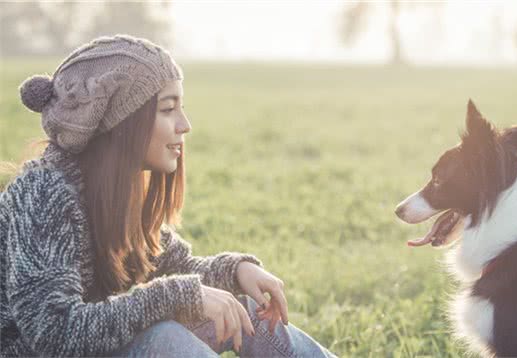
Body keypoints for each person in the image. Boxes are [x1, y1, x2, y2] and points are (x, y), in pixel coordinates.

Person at [0, 34, 335, 358]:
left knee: (242, 303)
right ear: (121, 123)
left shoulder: (113, 195)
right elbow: (54, 334)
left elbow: (175, 267)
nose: (185, 124)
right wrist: (177, 296)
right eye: (168, 109)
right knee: (165, 338)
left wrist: (237, 272)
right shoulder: (42, 196)